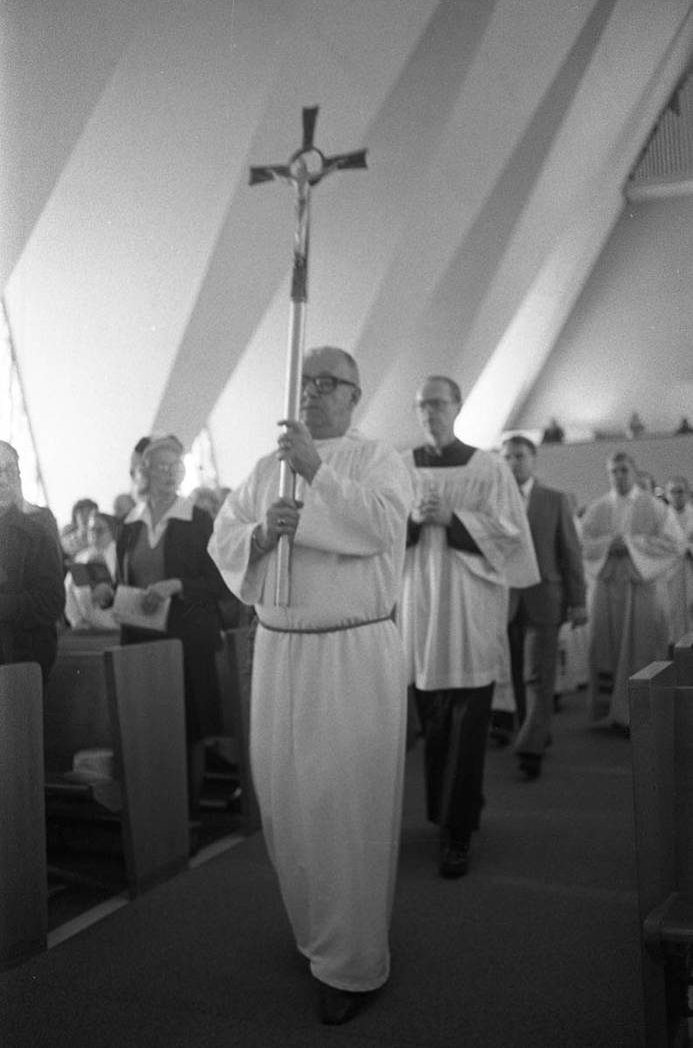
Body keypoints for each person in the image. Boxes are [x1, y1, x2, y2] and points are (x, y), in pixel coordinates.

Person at [209, 346, 412, 1026]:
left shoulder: (379, 458)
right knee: (288, 804)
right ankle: (315, 935)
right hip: (280, 650)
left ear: (355, 396)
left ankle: (352, 965)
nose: (314, 393)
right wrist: (262, 533)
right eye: (306, 381)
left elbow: (383, 526)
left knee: (343, 806)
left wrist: (317, 474)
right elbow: (223, 537)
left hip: (350, 652)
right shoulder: (265, 469)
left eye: (330, 383)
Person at [399, 377, 539, 879]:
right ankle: (450, 812)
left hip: (469, 606)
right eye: (422, 404)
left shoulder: (488, 466)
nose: (429, 411)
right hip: (420, 608)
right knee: (434, 719)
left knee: (467, 721)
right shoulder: (401, 466)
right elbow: (381, 531)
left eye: (437, 402)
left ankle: (456, 835)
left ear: (457, 406)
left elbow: (510, 533)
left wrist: (453, 520)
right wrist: (414, 521)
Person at [101, 435, 230, 814]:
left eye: (177, 466)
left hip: (187, 641)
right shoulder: (131, 523)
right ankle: (151, 817)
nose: (171, 473)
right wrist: (109, 594)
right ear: (144, 471)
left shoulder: (198, 519)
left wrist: (177, 586)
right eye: (162, 466)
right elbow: (128, 579)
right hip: (142, 641)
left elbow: (222, 582)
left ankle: (185, 815)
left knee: (188, 730)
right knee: (149, 729)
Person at [500, 436, 587, 778]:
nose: (513, 463)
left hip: (545, 599)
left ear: (533, 460)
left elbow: (571, 553)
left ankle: (530, 748)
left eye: (519, 456)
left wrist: (578, 601)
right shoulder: (495, 500)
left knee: (538, 675)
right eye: (506, 457)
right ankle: (533, 730)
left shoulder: (555, 500)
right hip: (506, 600)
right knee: (517, 678)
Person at [581, 451, 685, 731]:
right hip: (607, 590)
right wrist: (606, 546)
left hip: (643, 590)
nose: (618, 476)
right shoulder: (597, 508)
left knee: (642, 649)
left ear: (634, 471)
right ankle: (610, 715)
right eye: (613, 471)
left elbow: (674, 545)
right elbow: (582, 544)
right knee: (606, 648)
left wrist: (630, 545)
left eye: (623, 470)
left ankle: (641, 714)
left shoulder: (655, 507)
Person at [0, 440, 65, 679]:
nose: (4, 480)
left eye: (10, 470)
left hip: (20, 658)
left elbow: (52, 601)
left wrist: (4, 605)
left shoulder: (37, 530)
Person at [64, 510, 119, 632]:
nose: (94, 534)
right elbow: (68, 593)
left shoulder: (122, 556)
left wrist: (111, 592)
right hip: (89, 630)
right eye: (91, 529)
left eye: (99, 530)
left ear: (112, 531)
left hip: (117, 627)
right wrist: (76, 620)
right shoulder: (80, 558)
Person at [663, 476, 693, 647]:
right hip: (670, 573)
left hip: (690, 569)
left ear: (687, 493)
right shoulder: (661, 519)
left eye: (680, 491)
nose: (676, 495)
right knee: (671, 611)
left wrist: (688, 548)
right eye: (672, 492)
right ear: (667, 495)